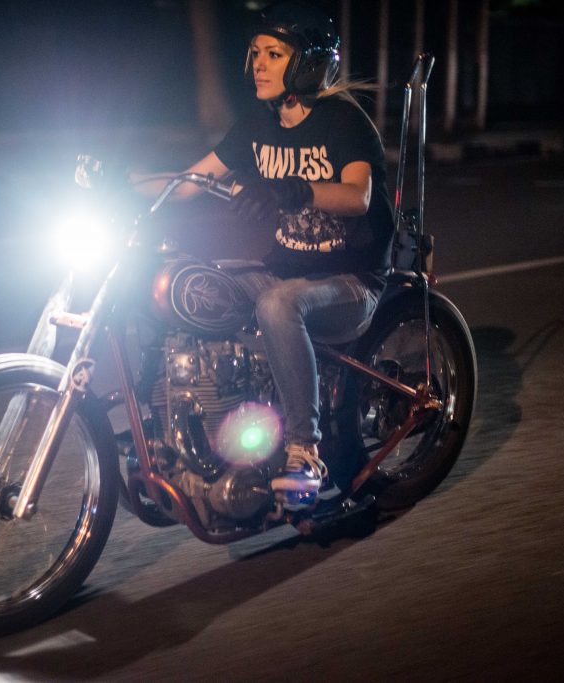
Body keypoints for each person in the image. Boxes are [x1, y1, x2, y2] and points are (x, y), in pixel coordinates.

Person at [134, 1, 394, 505]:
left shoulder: (343, 122)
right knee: (188, 284)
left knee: (277, 306)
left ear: (308, 64)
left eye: (274, 54)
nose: (258, 63)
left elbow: (358, 196)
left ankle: (304, 450)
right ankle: (189, 429)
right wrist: (118, 182)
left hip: (351, 280)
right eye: (255, 52)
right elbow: (189, 182)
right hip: (288, 269)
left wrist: (294, 191)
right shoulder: (259, 123)